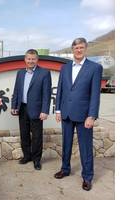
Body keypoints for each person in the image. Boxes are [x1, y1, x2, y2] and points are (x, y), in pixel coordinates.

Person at [54, 38, 103, 191]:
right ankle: (65, 169)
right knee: (66, 144)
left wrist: (92, 115)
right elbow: (60, 89)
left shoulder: (95, 68)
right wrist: (58, 109)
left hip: (84, 116)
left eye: (81, 47)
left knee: (85, 148)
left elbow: (95, 94)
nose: (79, 50)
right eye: (76, 47)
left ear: (85, 49)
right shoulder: (65, 68)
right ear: (73, 49)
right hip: (66, 113)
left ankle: (87, 177)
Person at [11, 49, 52, 170]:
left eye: (33, 59)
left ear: (37, 60)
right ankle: (27, 156)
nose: (31, 61)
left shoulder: (44, 73)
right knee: (24, 134)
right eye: (29, 59)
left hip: (37, 110)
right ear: (25, 59)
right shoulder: (20, 73)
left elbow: (46, 94)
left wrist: (45, 110)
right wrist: (14, 106)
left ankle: (36, 160)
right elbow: (16, 90)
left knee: (37, 136)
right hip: (22, 108)